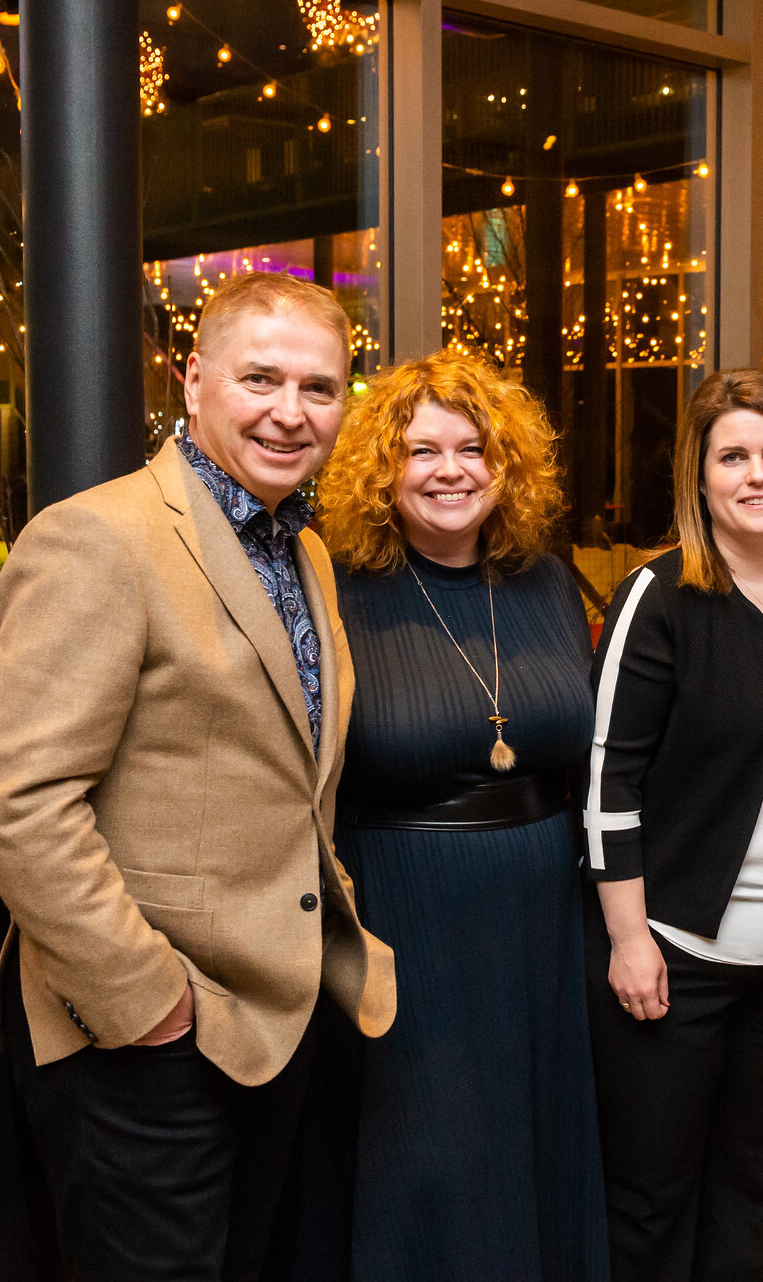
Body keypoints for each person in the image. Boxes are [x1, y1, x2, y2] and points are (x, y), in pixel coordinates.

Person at [0, 271, 396, 1282]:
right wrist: (149, 1003)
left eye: (320, 388)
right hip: (145, 1035)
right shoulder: (100, 537)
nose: (291, 414)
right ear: (192, 379)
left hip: (270, 1015)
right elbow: (22, 802)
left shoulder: (307, 552)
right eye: (261, 379)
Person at [298, 350, 607, 1280]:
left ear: (506, 463)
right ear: (380, 469)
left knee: (534, 1140)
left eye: (472, 448)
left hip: (544, 917)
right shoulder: (335, 590)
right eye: (420, 449)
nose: (449, 470)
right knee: (429, 1155)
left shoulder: (549, 583)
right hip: (402, 913)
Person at [585, 368, 763, 1282]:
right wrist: (629, 937)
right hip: (678, 956)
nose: (757, 474)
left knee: (755, 1190)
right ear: (700, 476)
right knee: (651, 1200)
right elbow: (607, 780)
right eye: (733, 456)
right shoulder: (662, 594)